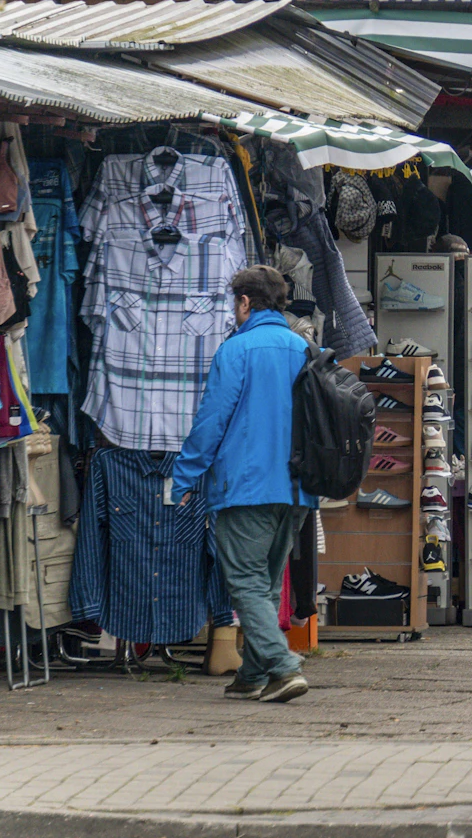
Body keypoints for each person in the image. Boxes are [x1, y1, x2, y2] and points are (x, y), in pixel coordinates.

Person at [169, 265, 313, 704]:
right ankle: (252, 675)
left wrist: (184, 476)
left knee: (247, 582)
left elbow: (212, 421)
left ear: (245, 303)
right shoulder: (304, 348)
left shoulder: (236, 350)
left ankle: (283, 667)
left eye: (236, 303)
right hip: (297, 489)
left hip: (246, 486)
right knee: (267, 584)